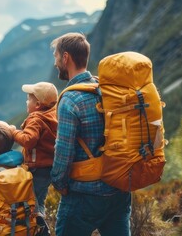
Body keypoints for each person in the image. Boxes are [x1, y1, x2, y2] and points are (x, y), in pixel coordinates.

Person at [50, 32, 131, 235]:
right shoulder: (106, 89)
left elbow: (63, 151)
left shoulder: (70, 100)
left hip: (83, 194)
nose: (56, 63)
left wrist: (59, 183)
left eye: (56, 57)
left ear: (66, 57)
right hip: (119, 187)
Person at [10, 82, 58, 215]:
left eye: (29, 99)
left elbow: (28, 140)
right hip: (48, 167)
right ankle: (39, 223)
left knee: (32, 202)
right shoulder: (52, 114)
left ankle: (38, 227)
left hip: (37, 169)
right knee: (40, 200)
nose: (26, 101)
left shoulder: (36, 119)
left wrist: (13, 132)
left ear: (37, 105)